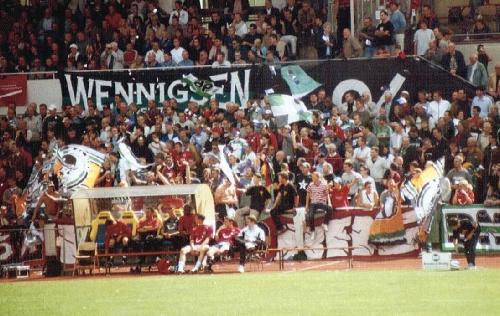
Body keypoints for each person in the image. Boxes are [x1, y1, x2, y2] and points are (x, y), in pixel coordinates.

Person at [305, 172, 333, 237]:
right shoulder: (310, 185)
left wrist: (329, 203)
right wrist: (306, 205)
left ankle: (325, 223)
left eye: (313, 177)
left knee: (330, 209)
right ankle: (312, 230)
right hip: (313, 203)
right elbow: (308, 195)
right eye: (312, 177)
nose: (312, 178)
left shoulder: (323, 185)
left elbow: (327, 194)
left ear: (317, 177)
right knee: (310, 216)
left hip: (321, 203)